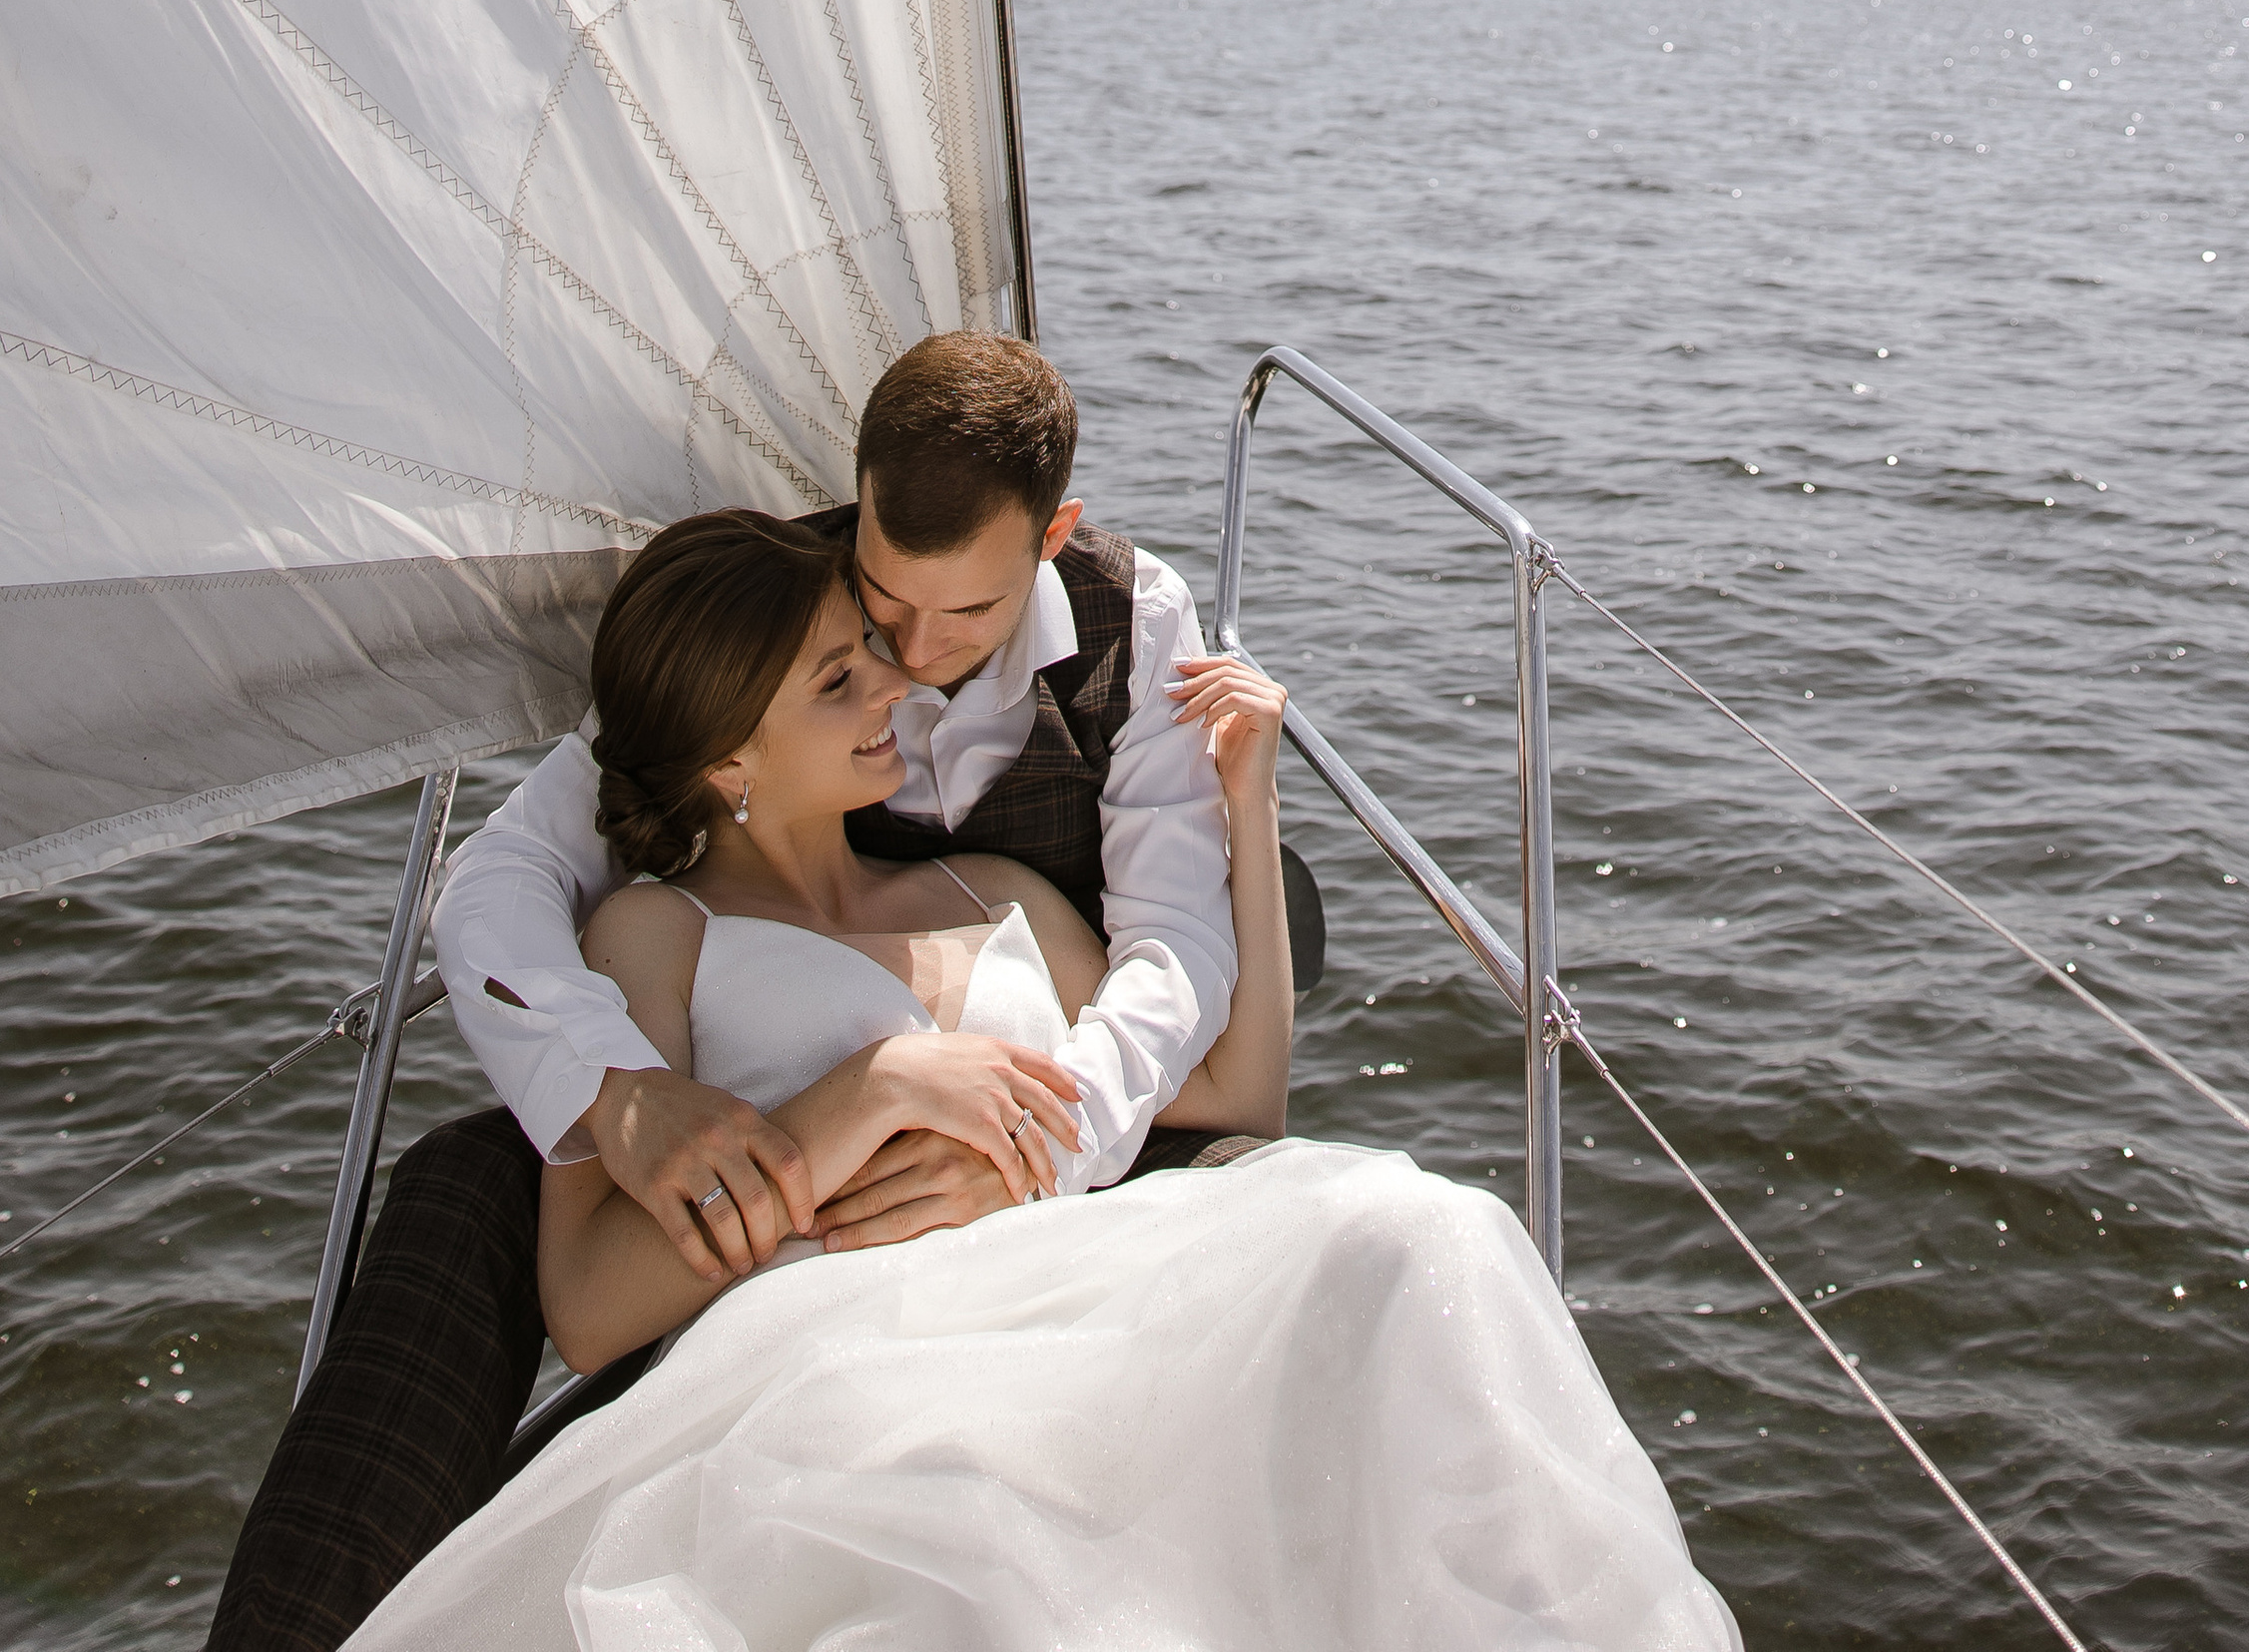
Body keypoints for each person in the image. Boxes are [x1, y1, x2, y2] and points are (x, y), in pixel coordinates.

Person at [338, 509, 1743, 1650]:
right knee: (990, 1550)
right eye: (841, 678)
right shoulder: (657, 935)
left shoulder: (992, 885)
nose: (900, 683)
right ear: (730, 763)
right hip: (847, 1346)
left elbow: (1239, 1103)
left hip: (1092, 1278)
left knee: (1418, 1229)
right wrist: (868, 1092)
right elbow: (588, 1308)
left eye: (867, 654)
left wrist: (1245, 809)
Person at [208, 335, 1238, 1652]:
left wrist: (1057, 1141)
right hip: (725, 1067)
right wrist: (615, 1091)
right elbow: (498, 886)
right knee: (465, 1185)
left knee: (1278, 1215)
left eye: (964, 616)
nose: (910, 656)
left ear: (1054, 537)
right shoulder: (773, 615)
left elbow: (1176, 956)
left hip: (1050, 1071)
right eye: (879, 605)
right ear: (854, 499)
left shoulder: (1134, 624)